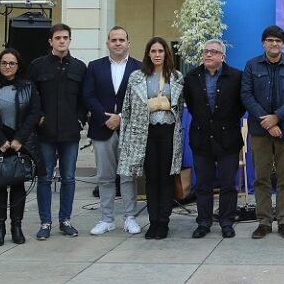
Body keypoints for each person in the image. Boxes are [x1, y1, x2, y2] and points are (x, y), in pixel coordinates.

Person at [241, 25, 284, 240]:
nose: (274, 44)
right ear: (263, 43)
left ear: (283, 44)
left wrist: (277, 117)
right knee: (261, 178)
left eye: (278, 41)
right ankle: (264, 221)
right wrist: (268, 122)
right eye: (270, 40)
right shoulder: (252, 65)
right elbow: (246, 95)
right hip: (260, 131)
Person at [119, 37, 184, 240]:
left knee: (166, 177)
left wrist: (162, 105)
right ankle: (153, 220)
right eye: (153, 51)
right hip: (144, 133)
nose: (157, 55)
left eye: (161, 51)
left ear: (166, 54)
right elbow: (127, 108)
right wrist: (125, 139)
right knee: (151, 177)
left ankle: (163, 221)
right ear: (148, 54)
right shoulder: (136, 77)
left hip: (168, 131)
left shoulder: (177, 77)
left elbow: (179, 107)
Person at [0, 48, 42, 246]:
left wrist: (19, 139)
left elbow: (34, 112)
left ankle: (16, 227)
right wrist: (0, 140)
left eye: (11, 63)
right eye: (4, 63)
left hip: (20, 143)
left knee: (17, 185)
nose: (7, 66)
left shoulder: (29, 86)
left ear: (18, 66)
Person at [28, 23, 87, 240]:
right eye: (58, 38)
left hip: (70, 133)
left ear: (70, 40)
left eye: (65, 38)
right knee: (44, 178)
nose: (62, 41)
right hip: (45, 133)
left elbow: (84, 99)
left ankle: (66, 220)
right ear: (50, 41)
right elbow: (31, 95)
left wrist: (81, 120)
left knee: (69, 178)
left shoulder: (80, 67)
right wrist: (38, 118)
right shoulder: (37, 66)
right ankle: (45, 222)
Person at [83, 27, 142, 236]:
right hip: (102, 128)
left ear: (128, 43)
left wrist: (121, 118)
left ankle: (130, 217)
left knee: (128, 176)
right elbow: (88, 96)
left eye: (122, 40)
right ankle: (107, 219)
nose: (118, 43)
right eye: (114, 40)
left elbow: (141, 100)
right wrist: (106, 117)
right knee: (105, 177)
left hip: (129, 131)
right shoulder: (94, 67)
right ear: (107, 43)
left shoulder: (139, 68)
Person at [185, 39, 245, 239]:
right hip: (201, 136)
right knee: (203, 184)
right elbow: (192, 105)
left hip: (227, 136)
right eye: (206, 51)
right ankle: (203, 222)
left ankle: (226, 221)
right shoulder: (192, 77)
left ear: (223, 57)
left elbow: (241, 106)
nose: (208, 55)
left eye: (213, 52)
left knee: (228, 184)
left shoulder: (236, 76)